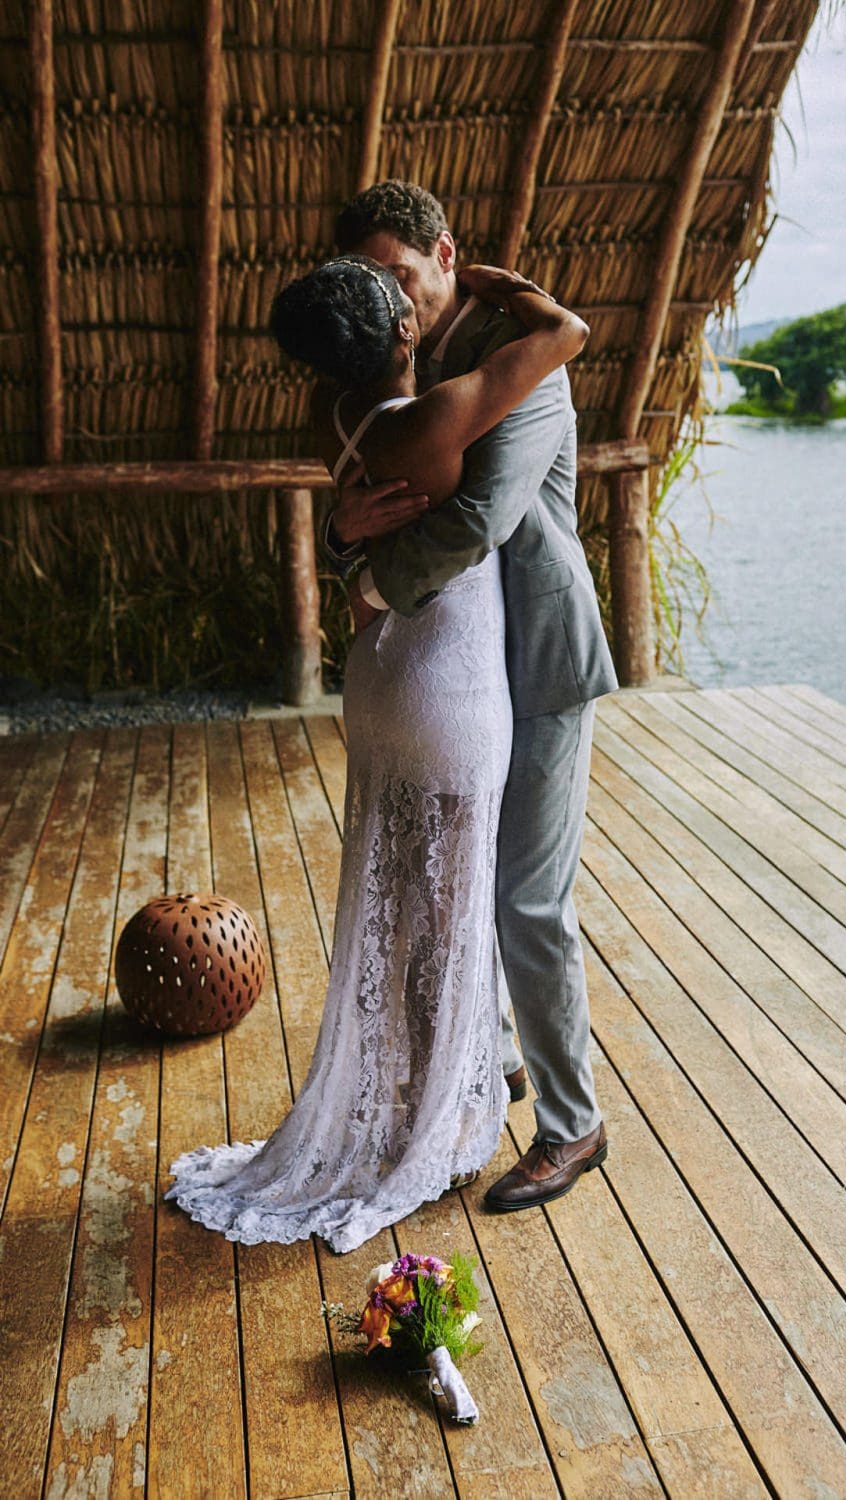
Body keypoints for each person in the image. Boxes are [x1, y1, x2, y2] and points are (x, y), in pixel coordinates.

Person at [164, 255, 589, 1254]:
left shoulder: (339, 416)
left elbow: (374, 518)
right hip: (449, 685)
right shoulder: (436, 417)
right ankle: (447, 1107)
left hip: (379, 677)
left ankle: (455, 1076)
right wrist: (511, 291)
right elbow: (564, 338)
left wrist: (347, 543)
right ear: (401, 327)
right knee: (453, 899)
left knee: (408, 892)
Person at [324, 182, 618, 1212]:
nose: (392, 301)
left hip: (536, 660)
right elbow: (354, 484)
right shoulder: (384, 363)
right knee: (453, 883)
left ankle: (574, 1127)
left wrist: (366, 585)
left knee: (527, 899)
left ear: (445, 255)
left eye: (401, 276)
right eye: (373, 284)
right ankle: (488, 1063)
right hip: (450, 674)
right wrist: (342, 532)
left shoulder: (524, 360)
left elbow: (479, 516)